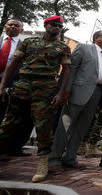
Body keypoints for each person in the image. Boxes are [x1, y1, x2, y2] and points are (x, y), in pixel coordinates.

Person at [0, 16, 71, 182]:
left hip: (46, 88)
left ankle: (42, 164)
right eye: (54, 25)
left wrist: (61, 93)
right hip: (23, 85)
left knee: (43, 127)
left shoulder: (63, 47)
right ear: (46, 25)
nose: (57, 28)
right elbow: (13, 63)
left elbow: (67, 70)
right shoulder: (29, 42)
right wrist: (2, 85)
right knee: (8, 123)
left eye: (60, 26)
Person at [49, 30, 102, 170]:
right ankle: (54, 158)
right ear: (95, 38)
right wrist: (66, 91)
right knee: (65, 125)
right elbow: (71, 69)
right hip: (77, 92)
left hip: (96, 93)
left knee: (81, 128)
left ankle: (70, 157)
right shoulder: (84, 48)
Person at [0, 19, 30, 157]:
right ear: (5, 26)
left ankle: (6, 148)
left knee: (8, 115)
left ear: (21, 29)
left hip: (12, 85)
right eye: (10, 24)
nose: (12, 27)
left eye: (16, 25)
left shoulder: (25, 46)